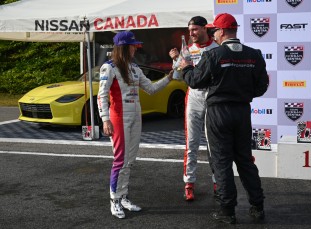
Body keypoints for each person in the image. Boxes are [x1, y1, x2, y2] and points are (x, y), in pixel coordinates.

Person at [180, 13, 269, 224]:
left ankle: (227, 211)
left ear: (221, 32)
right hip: (242, 112)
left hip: (219, 113)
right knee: (245, 161)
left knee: (221, 163)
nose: (213, 35)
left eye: (214, 31)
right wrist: (242, 94)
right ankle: (258, 206)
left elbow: (194, 81)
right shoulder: (254, 54)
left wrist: (185, 68)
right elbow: (262, 86)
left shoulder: (214, 55)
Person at [97, 31, 173, 219]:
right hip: (118, 118)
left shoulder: (134, 67)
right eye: (132, 45)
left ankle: (123, 196)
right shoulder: (109, 67)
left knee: (130, 160)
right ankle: (114, 199)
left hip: (136, 116)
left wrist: (169, 78)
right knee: (120, 160)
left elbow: (152, 89)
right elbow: (102, 96)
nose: (135, 48)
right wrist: (105, 119)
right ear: (123, 47)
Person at [169, 16, 219, 201]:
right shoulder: (187, 50)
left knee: (215, 144)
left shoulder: (217, 49)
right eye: (189, 31)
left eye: (195, 30)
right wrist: (176, 61)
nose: (191, 34)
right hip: (194, 98)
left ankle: (218, 182)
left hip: (213, 98)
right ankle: (189, 184)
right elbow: (177, 76)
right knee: (192, 144)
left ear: (205, 29)